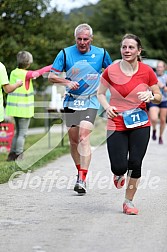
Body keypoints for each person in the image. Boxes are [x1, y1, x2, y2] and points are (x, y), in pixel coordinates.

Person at [97, 34, 162, 215]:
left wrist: (150, 96)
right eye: (124, 47)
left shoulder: (147, 71)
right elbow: (100, 93)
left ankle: (128, 202)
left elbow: (158, 96)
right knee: (119, 166)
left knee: (135, 162)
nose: (127, 50)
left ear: (138, 51)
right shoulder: (111, 70)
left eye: (131, 47)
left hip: (140, 123)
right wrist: (107, 106)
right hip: (116, 122)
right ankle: (118, 174)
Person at [48, 23, 112, 194]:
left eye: (85, 39)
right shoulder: (65, 53)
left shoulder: (101, 53)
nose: (82, 42)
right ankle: (79, 171)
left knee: (84, 137)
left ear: (91, 38)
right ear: (75, 38)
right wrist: (67, 82)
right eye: (79, 39)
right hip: (71, 101)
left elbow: (112, 72)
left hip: (91, 101)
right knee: (74, 140)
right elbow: (51, 76)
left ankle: (82, 178)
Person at [6, 51, 52, 161]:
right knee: (22, 133)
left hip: (14, 108)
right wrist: (53, 66)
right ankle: (19, 155)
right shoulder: (26, 74)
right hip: (23, 109)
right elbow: (39, 72)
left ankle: (11, 155)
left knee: (18, 132)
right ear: (28, 63)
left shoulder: (13, 72)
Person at [148, 60, 167, 144]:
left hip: (164, 100)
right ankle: (154, 129)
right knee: (154, 118)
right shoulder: (152, 75)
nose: (159, 68)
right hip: (154, 99)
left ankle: (160, 136)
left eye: (160, 67)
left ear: (164, 68)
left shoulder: (166, 77)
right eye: (158, 67)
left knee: (163, 120)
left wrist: (162, 86)